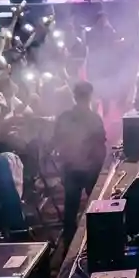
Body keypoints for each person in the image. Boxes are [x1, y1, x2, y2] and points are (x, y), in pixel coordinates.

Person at [54, 81, 107, 238]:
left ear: (74, 96)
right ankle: (98, 235)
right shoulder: (94, 118)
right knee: (96, 203)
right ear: (90, 96)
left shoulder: (64, 117)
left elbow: (57, 141)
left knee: (71, 207)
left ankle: (68, 241)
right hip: (90, 170)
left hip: (70, 169)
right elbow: (100, 144)